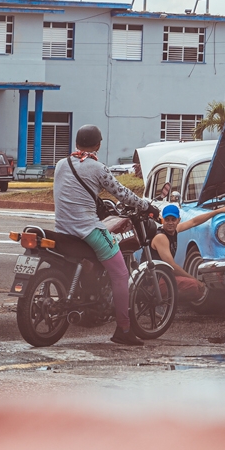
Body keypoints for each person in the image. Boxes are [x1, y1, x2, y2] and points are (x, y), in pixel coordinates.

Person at [53, 125, 153, 346]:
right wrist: (145, 205)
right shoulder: (98, 168)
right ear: (98, 144)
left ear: (77, 143)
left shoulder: (61, 164)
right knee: (120, 273)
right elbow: (122, 193)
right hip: (87, 229)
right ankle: (123, 329)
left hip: (62, 229)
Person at [148, 203, 225, 303]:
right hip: (152, 282)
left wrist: (217, 211)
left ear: (178, 220)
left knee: (192, 284)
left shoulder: (174, 230)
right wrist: (196, 281)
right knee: (193, 286)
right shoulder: (161, 237)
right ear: (163, 220)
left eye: (173, 219)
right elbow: (172, 267)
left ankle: (167, 300)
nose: (170, 223)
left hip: (161, 277)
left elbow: (194, 222)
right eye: (167, 220)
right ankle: (162, 301)